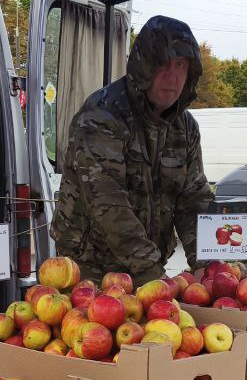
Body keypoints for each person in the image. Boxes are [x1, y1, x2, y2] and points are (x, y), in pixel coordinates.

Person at [51, 16, 213, 282]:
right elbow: (108, 204)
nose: (172, 76)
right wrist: (155, 277)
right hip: (88, 269)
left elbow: (193, 198)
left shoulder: (185, 128)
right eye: (163, 63)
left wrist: (206, 265)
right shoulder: (102, 116)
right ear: (144, 65)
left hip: (148, 269)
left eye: (181, 65)